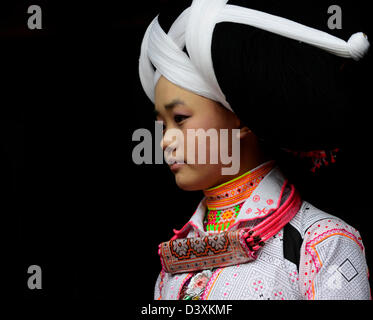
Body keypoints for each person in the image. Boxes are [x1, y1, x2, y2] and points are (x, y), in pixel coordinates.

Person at [138, 0, 371, 300]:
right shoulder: (173, 262)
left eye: (180, 119)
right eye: (162, 125)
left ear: (240, 119)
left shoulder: (321, 244)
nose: (165, 142)